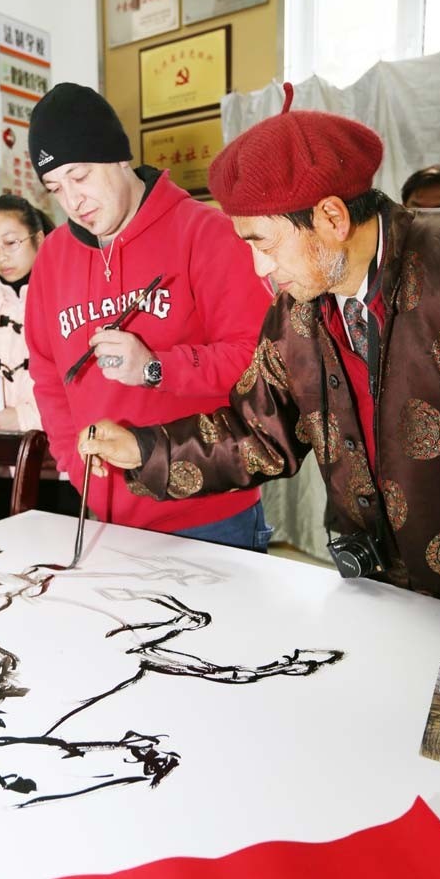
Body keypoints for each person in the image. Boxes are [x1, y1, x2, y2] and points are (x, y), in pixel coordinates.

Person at [79, 84, 440, 600]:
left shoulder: (439, 269)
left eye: (265, 244)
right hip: (378, 584)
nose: (260, 268)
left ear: (332, 218)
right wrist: (143, 449)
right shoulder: (295, 312)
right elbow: (259, 432)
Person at [25, 82, 272, 549]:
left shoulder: (206, 233)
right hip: (105, 519)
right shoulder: (53, 257)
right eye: (55, 188)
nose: (72, 202)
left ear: (119, 156)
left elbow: (258, 363)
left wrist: (157, 368)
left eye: (80, 177)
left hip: (210, 514)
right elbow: (47, 374)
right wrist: (78, 470)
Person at [0, 194, 79, 516]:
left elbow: (79, 389)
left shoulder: (68, 297)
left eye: (10, 243)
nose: (1, 256)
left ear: (38, 238)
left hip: (58, 464)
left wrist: (20, 418)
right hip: (4, 460)